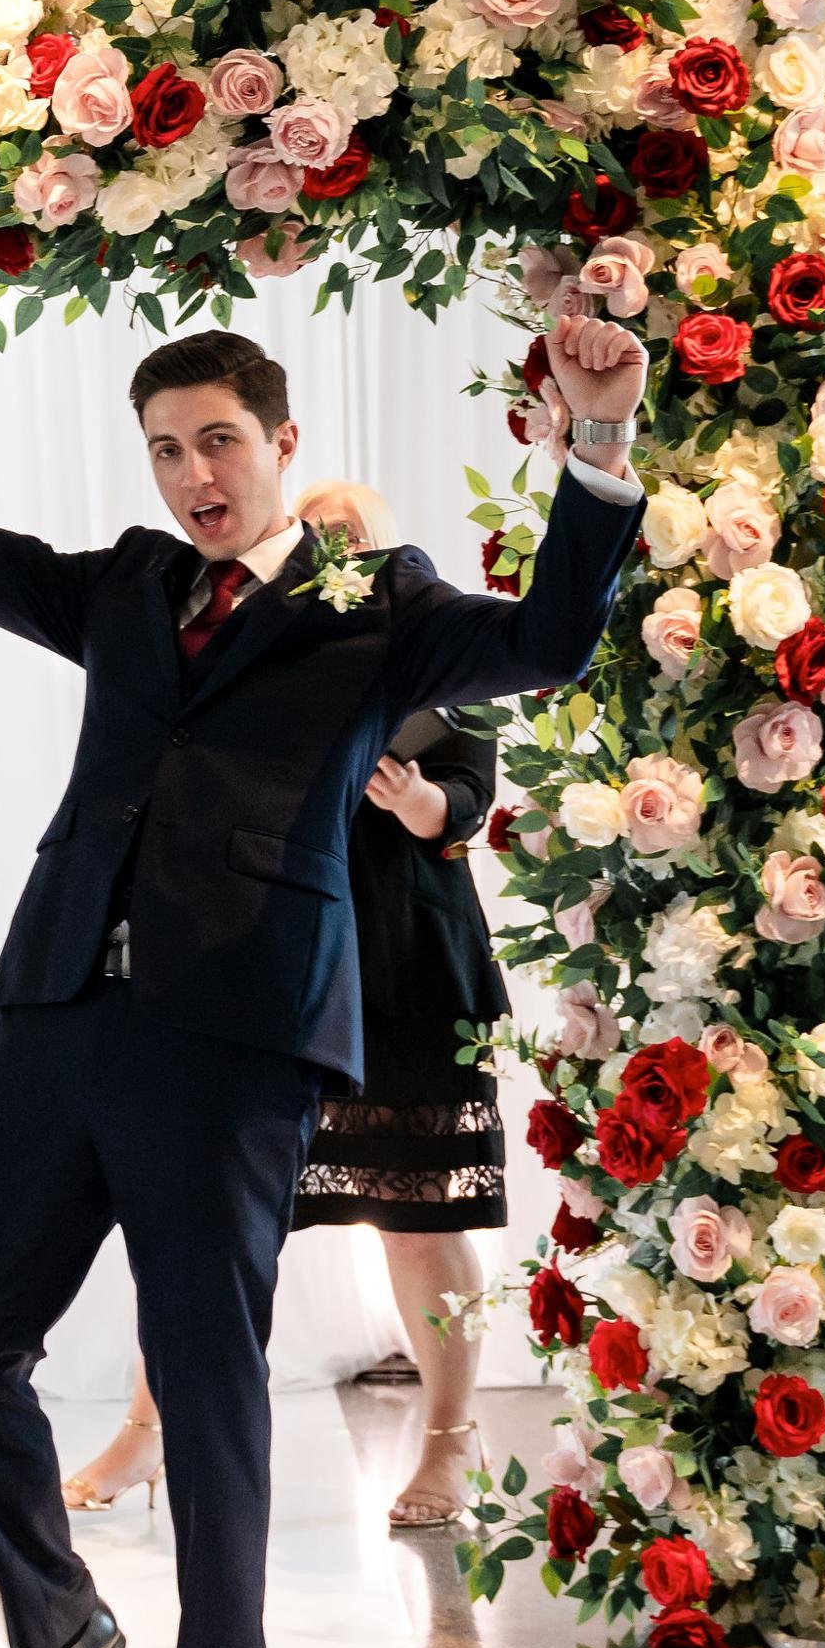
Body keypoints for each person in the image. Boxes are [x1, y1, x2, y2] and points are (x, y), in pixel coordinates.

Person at [0, 231, 648, 1648]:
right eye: (169, 448)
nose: (194, 474)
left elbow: (544, 643)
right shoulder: (119, 588)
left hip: (235, 1038)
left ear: (282, 447)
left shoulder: (368, 604)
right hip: (59, 1017)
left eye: (221, 443)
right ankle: (56, 1622)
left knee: (210, 1381)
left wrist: (596, 451)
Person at [68, 483, 511, 1542]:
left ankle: (451, 1438)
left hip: (409, 965)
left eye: (349, 540)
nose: (330, 561)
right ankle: (149, 1424)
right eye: (311, 542)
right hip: (271, 969)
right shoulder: (241, 658)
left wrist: (418, 802)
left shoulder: (431, 650)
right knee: (204, 1217)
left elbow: (466, 789)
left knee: (418, 1218)